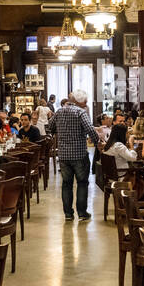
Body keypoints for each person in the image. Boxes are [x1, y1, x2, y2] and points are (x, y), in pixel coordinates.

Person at [54, 90, 95, 221]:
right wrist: (98, 142)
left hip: (64, 155)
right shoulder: (80, 112)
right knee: (82, 183)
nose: (86, 104)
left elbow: (49, 127)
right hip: (79, 155)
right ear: (79, 101)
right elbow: (90, 129)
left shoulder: (59, 111)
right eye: (85, 102)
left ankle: (68, 214)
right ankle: (82, 213)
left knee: (66, 184)